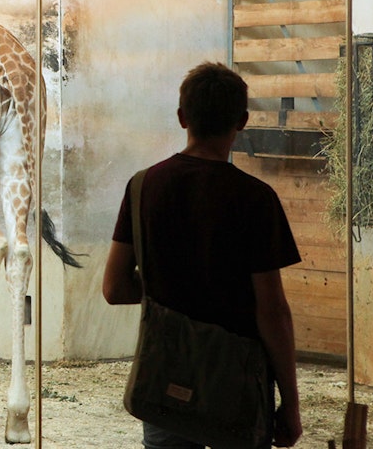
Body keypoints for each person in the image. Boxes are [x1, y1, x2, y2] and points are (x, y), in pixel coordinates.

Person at [102, 62, 303, 448]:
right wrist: (290, 404)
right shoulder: (256, 199)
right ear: (241, 121)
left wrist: (172, 282)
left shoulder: (143, 186)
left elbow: (114, 288)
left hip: (166, 376)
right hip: (239, 383)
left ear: (182, 118)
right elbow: (272, 310)